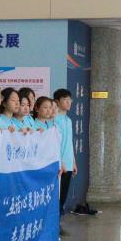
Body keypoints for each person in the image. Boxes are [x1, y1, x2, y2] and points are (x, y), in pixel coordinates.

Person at [53, 89, 76, 233]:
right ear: (57, 101)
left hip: (68, 164)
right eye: (65, 99)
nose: (68, 102)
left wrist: (74, 162)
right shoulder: (54, 120)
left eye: (70, 100)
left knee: (64, 195)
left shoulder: (69, 120)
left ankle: (58, 222)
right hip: (59, 165)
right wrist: (60, 161)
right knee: (57, 195)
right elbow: (55, 144)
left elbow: (69, 143)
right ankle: (55, 225)